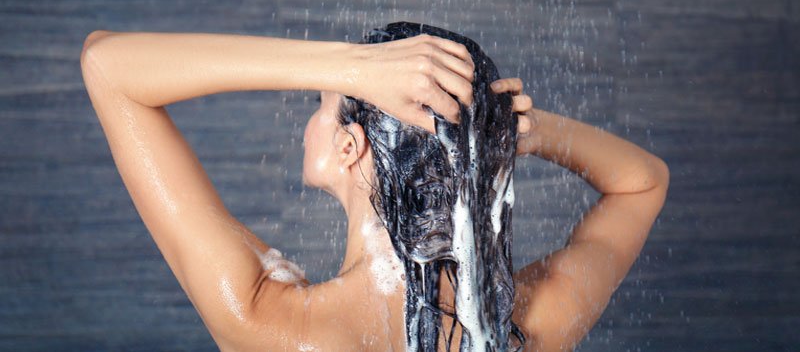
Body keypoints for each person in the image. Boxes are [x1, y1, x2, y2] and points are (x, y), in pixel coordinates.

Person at [81, 23, 669, 352]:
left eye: (322, 103)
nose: (312, 118)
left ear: (349, 145)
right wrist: (524, 134)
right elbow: (641, 184)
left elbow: (107, 65)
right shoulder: (530, 322)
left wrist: (346, 66)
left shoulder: (274, 324)